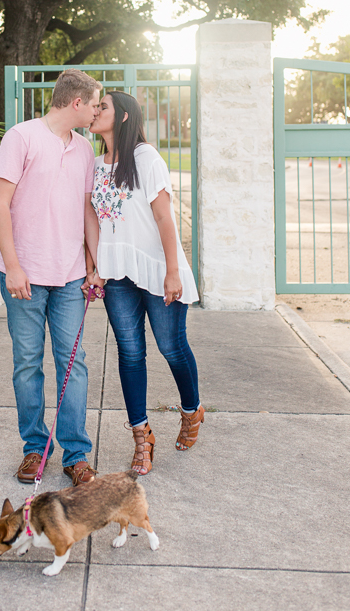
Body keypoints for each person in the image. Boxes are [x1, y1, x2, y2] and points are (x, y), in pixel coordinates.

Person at [0, 68, 103, 486]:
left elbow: (87, 209)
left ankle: (76, 455)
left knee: (74, 366)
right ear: (76, 103)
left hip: (72, 277)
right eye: (94, 103)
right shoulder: (21, 137)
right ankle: (35, 450)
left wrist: (94, 265)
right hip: (25, 277)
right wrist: (14, 266)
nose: (96, 111)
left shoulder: (85, 150)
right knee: (27, 364)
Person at [85, 91, 203, 475]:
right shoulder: (95, 164)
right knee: (130, 353)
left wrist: (172, 270)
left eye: (101, 106)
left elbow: (164, 218)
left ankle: (191, 410)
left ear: (121, 116)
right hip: (117, 273)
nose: (94, 111)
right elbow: (93, 219)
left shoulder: (146, 158)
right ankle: (141, 437)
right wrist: (94, 266)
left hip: (156, 268)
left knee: (171, 347)